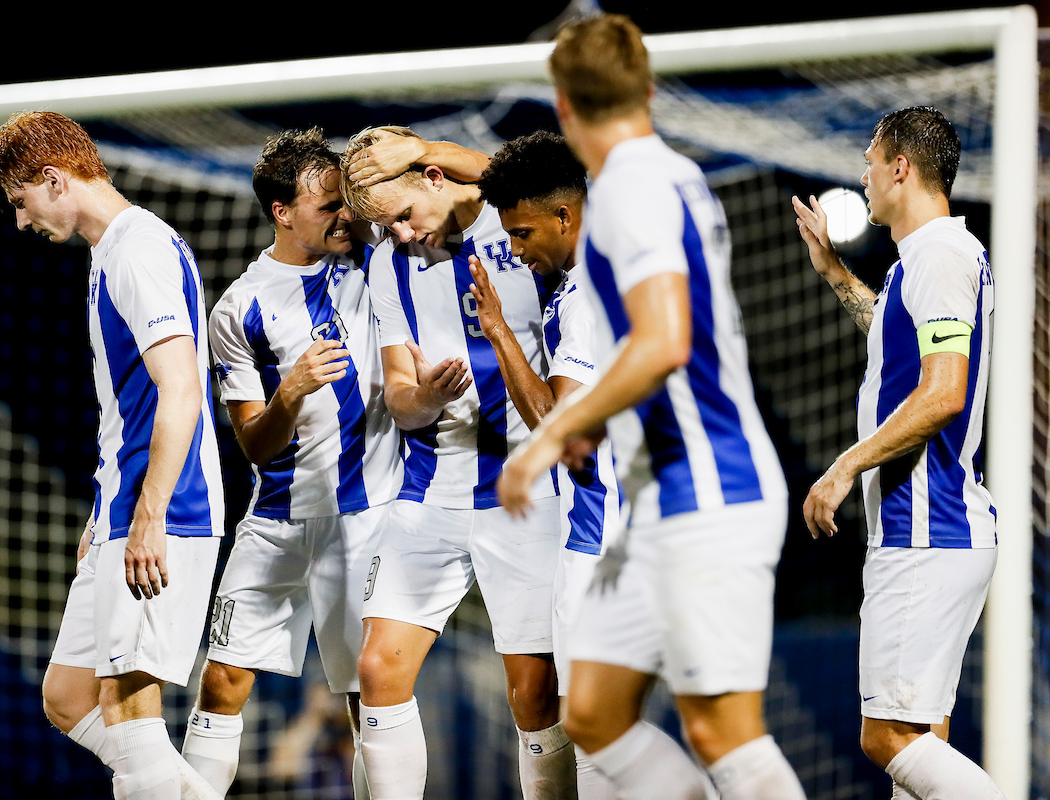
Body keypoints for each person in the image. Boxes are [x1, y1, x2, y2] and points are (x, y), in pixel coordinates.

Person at [499, 14, 806, 800]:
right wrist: (601, 420)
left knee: (724, 734)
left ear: (564, 107)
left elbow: (665, 339)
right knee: (593, 714)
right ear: (650, 91)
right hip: (657, 501)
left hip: (709, 489)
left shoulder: (629, 188)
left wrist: (552, 435)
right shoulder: (671, 174)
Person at [0, 110, 225, 800]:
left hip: (164, 509)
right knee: (67, 696)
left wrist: (149, 517)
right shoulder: (111, 252)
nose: (22, 221)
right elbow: (129, 408)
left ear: (54, 179)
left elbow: (181, 389)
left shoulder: (138, 248)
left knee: (129, 715)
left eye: (21, 201)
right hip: (123, 507)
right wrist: (105, 511)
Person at [340, 126, 573, 800]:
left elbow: (548, 177)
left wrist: (422, 150)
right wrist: (426, 398)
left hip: (527, 489)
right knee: (377, 669)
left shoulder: (517, 224)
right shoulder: (388, 264)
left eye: (404, 215)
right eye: (386, 227)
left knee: (534, 694)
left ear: (436, 178)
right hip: (431, 490)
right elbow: (400, 396)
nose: (401, 234)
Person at [178, 128, 402, 800]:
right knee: (222, 680)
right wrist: (292, 390)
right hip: (276, 520)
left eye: (345, 202)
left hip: (362, 517)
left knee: (367, 695)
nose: (343, 216)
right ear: (282, 212)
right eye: (327, 206)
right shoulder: (238, 309)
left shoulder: (373, 261)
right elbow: (255, 444)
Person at [793, 106, 1004, 800]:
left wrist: (845, 465)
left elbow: (943, 393)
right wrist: (833, 271)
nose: (863, 176)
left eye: (870, 161)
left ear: (901, 168)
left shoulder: (940, 255)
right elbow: (898, 347)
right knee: (920, 745)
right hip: (936, 532)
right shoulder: (925, 259)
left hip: (927, 530)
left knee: (885, 737)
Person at [470, 131, 622, 800]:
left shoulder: (586, 296)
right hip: (616, 529)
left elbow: (558, 425)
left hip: (603, 534)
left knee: (594, 731)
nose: (515, 249)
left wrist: (499, 330)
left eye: (523, 232)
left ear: (565, 215)